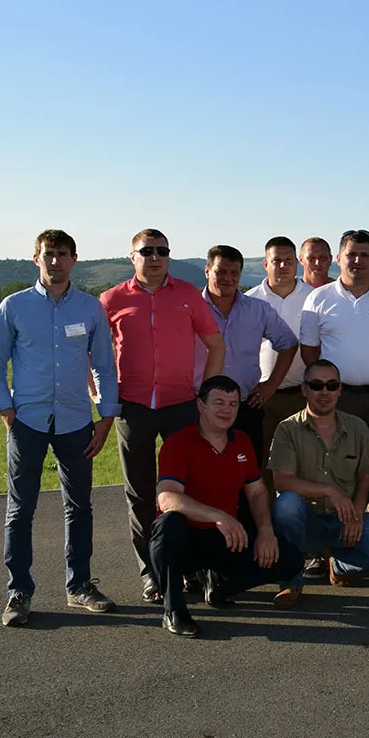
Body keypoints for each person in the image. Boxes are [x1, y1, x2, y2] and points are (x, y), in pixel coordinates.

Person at [0, 229, 120, 627]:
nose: (55, 261)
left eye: (62, 253)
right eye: (49, 254)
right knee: (20, 509)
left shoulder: (90, 308)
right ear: (36, 258)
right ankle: (19, 592)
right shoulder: (14, 306)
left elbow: (104, 366)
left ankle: (79, 586)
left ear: (74, 259)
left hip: (76, 421)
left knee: (79, 506)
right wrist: (6, 409)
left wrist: (106, 417)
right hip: (26, 421)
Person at [101, 228, 226, 602]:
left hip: (180, 406)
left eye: (162, 251)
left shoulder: (188, 295)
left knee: (190, 489)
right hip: (133, 407)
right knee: (140, 494)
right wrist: (98, 394)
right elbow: (91, 352)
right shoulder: (111, 299)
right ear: (132, 256)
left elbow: (216, 345)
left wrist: (205, 393)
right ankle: (151, 572)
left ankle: (191, 568)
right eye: (147, 251)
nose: (155, 257)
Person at [150, 375, 304, 638]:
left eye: (232, 404)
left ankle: (221, 585)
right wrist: (218, 516)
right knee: (168, 524)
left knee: (291, 560)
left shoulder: (241, 440)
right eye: (219, 402)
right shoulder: (178, 443)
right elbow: (167, 498)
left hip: (225, 538)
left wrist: (265, 530)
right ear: (200, 405)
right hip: (186, 541)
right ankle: (174, 611)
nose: (226, 410)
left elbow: (257, 492)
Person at [268, 360, 369, 599]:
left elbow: (365, 476)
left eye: (331, 385)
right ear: (304, 389)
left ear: (340, 390)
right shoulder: (287, 429)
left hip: (344, 519)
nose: (325, 392)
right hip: (306, 520)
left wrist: (357, 515)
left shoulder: (357, 427)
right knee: (286, 504)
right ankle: (291, 581)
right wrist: (329, 490)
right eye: (316, 385)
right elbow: (282, 481)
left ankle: (339, 565)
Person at [298, 229, 369, 457]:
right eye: (351, 254)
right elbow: (308, 351)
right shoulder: (318, 298)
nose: (358, 261)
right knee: (334, 458)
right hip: (335, 397)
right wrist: (326, 386)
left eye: (364, 255)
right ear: (339, 259)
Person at [195, 244, 298, 465]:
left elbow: (289, 343)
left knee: (248, 473)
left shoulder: (258, 310)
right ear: (207, 271)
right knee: (202, 472)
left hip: (244, 407)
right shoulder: (190, 308)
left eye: (234, 273)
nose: (228, 278)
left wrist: (271, 385)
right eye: (221, 271)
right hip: (198, 407)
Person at [244, 236, 314, 480]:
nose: (283, 266)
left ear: (297, 263)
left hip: (303, 395)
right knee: (263, 462)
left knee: (304, 462)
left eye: (288, 260)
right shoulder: (250, 300)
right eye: (276, 261)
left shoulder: (315, 298)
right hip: (261, 397)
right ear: (266, 264)